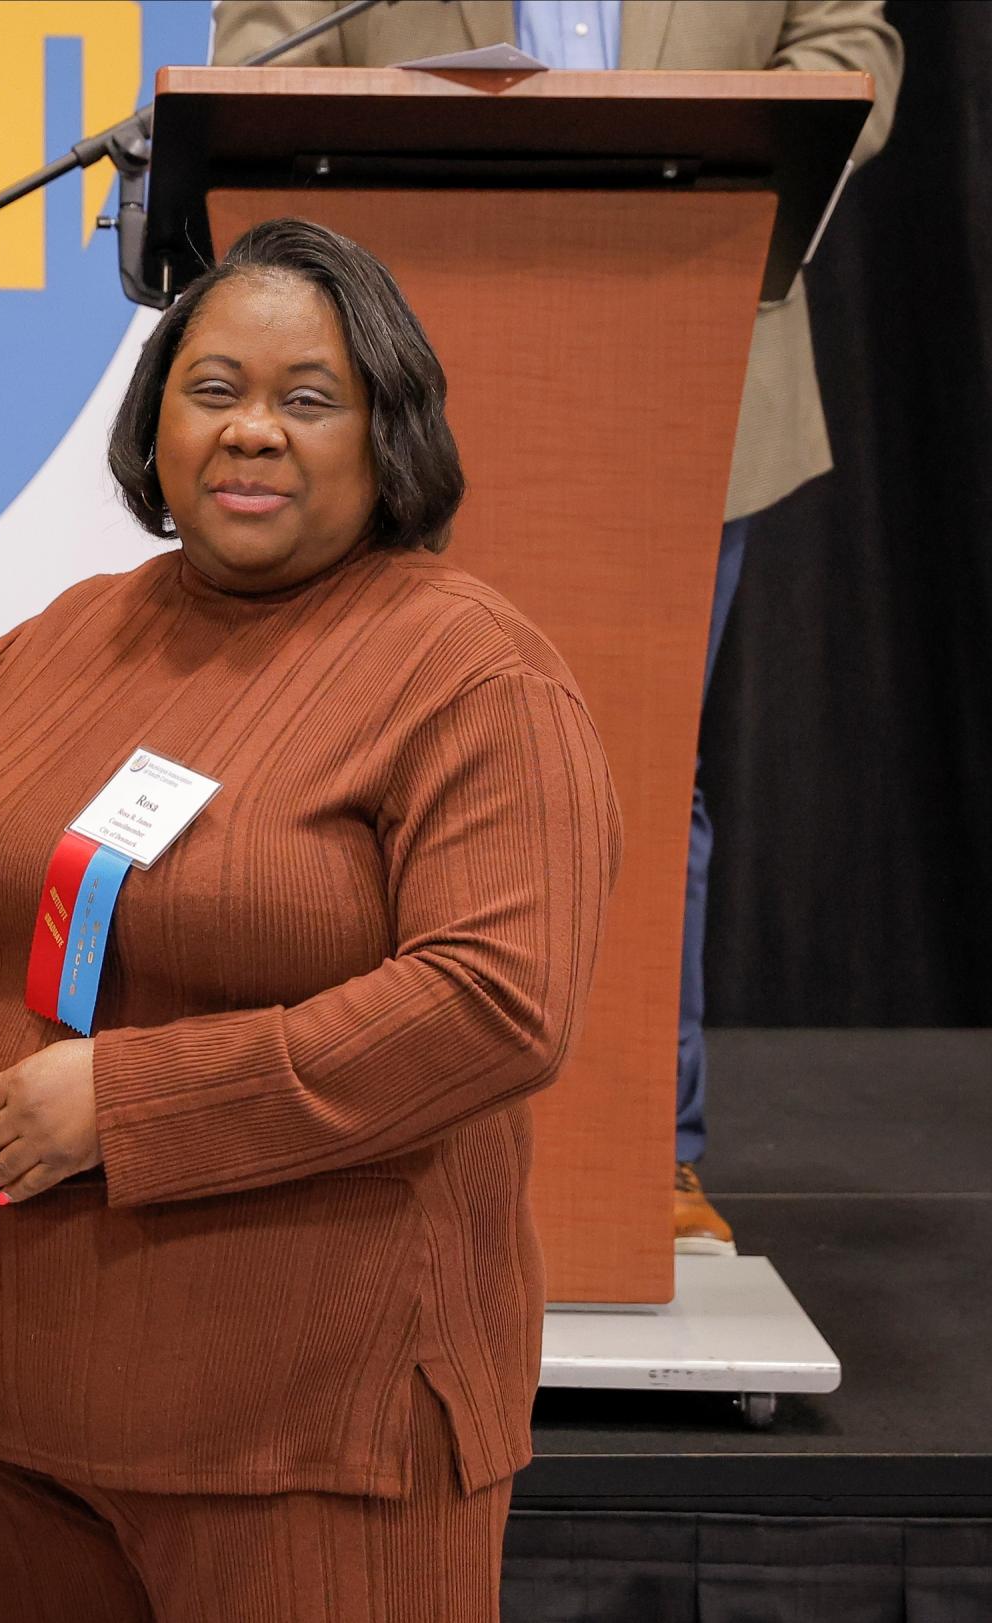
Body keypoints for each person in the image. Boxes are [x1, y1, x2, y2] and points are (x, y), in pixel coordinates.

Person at [0, 219, 621, 1622]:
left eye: (308, 398)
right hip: (14, 1393)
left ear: (392, 431)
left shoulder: (473, 671)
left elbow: (495, 1001)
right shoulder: (64, 636)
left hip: (309, 1424)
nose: (253, 430)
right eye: (214, 390)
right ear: (154, 426)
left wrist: (130, 1102)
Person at [213, 0, 904, 1257]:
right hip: (397, 370)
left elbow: (852, 50)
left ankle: (649, 1162)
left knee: (638, 768)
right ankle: (328, 1145)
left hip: (684, 358)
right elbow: (264, 56)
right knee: (347, 770)